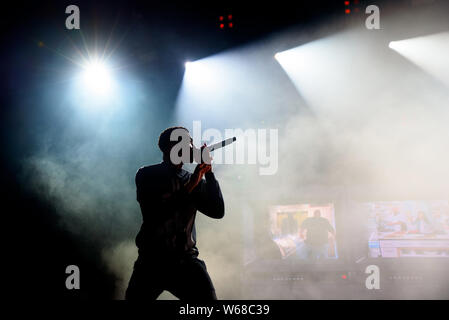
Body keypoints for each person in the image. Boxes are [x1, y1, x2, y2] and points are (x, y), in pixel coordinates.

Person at [126, 126, 225, 300]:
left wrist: (208, 174)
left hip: (186, 261)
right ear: (171, 148)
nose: (192, 147)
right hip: (151, 262)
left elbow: (217, 211)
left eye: (192, 143)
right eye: (187, 142)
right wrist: (194, 181)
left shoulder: (192, 177)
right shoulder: (147, 175)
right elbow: (158, 211)